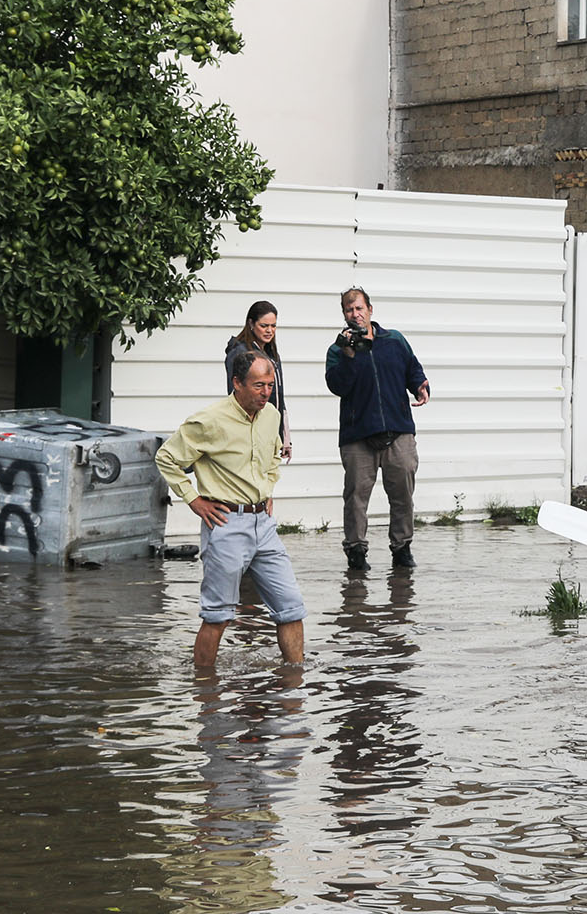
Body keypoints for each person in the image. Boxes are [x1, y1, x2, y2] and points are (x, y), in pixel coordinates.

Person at [155, 350, 306, 669]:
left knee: (291, 607)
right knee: (218, 616)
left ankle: (295, 685)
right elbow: (166, 458)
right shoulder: (208, 420)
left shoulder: (272, 416)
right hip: (225, 523)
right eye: (258, 386)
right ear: (236, 383)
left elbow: (274, 455)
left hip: (264, 525)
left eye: (270, 385)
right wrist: (194, 500)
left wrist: (268, 486)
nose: (266, 393)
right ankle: (205, 691)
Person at [324, 286, 429, 571]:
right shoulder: (337, 350)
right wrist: (348, 355)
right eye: (349, 309)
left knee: (403, 494)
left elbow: (412, 368)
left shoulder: (394, 340)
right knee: (356, 497)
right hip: (358, 436)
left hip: (399, 431)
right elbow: (338, 386)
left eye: (359, 308)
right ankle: (356, 552)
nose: (354, 314)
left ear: (370, 309)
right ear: (344, 314)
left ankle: (402, 548)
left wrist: (420, 385)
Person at [224, 300, 292, 461]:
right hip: (250, 434)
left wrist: (284, 436)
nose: (270, 330)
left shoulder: (271, 353)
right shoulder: (239, 352)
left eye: (273, 326)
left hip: (270, 431)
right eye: (264, 326)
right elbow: (235, 396)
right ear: (251, 324)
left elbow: (279, 397)